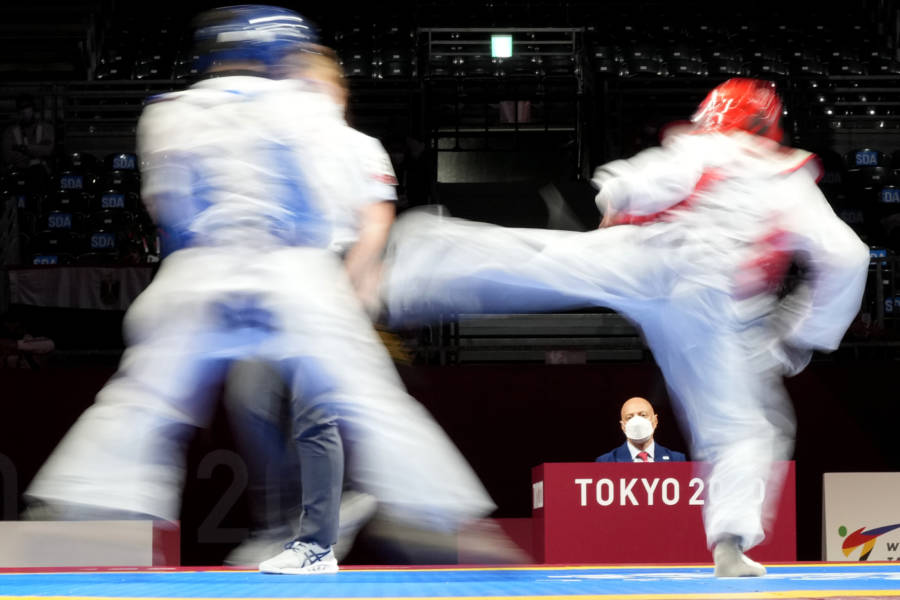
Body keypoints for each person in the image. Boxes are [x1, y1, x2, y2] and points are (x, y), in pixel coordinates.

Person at [25, 5, 495, 576]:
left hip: (201, 270)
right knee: (367, 394)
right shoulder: (305, 108)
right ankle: (434, 514)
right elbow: (323, 208)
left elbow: (168, 208)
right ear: (278, 54)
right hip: (293, 271)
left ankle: (82, 507)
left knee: (145, 396)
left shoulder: (169, 111)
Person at [380, 78, 870, 577]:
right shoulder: (785, 175)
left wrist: (617, 212)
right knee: (743, 426)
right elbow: (847, 255)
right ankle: (730, 542)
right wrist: (801, 335)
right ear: (770, 125)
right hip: (715, 296)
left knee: (543, 261)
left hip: (653, 253)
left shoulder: (700, 146)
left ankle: (416, 264)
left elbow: (623, 187)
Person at [222, 46, 396, 566]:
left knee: (313, 413)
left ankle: (317, 540)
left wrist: (345, 288)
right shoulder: (283, 150)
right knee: (249, 397)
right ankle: (281, 523)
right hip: (282, 286)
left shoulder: (362, 148)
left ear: (337, 93)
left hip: (334, 280)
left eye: (311, 86)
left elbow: (376, 222)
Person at [595, 397, 686, 463]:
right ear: (623, 426)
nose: (636, 422)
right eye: (629, 417)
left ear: (655, 421)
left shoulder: (677, 459)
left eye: (643, 415)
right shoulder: (606, 461)